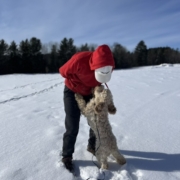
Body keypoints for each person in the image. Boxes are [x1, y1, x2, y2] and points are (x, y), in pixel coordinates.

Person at [59, 44, 115, 171]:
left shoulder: (110, 65)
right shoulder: (79, 60)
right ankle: (67, 156)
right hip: (72, 91)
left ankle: (92, 146)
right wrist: (78, 82)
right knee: (72, 124)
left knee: (96, 121)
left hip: (90, 92)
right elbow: (63, 71)